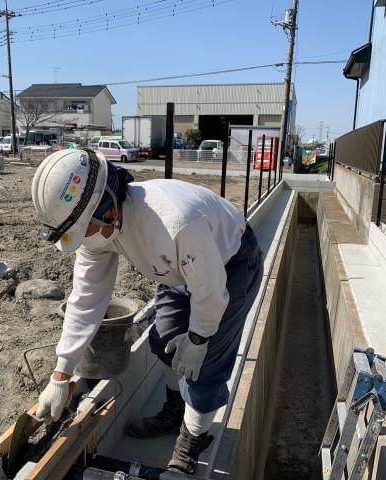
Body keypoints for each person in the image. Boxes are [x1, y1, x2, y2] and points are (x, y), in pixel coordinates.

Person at [31, 148, 263, 475]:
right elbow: (85, 298)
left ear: (108, 208)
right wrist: (61, 372)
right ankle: (174, 410)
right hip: (177, 269)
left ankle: (191, 444)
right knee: (164, 340)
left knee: (204, 363)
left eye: (86, 229)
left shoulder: (173, 222)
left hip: (230, 262)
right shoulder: (98, 232)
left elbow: (210, 291)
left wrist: (198, 338)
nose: (84, 239)